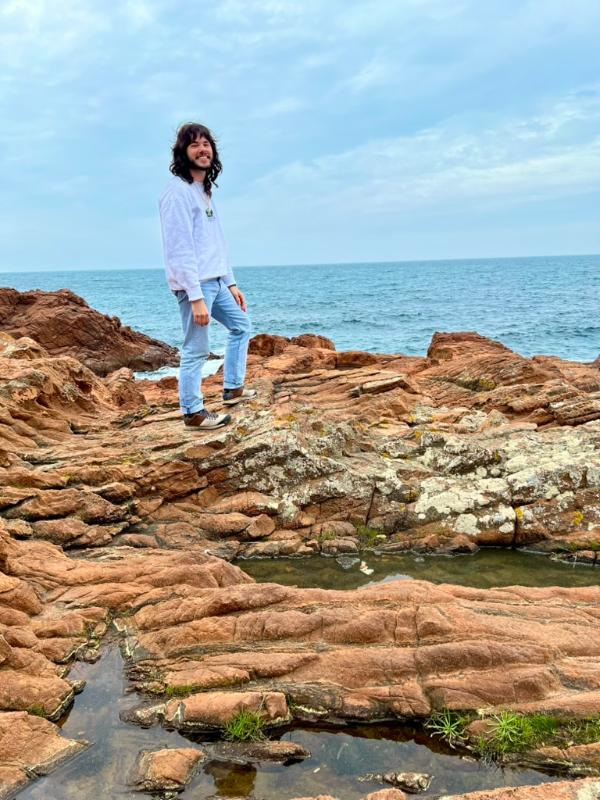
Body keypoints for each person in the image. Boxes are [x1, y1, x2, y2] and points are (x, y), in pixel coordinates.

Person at [159, 123, 256, 430]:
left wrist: (231, 282)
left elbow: (217, 244)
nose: (202, 150)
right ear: (182, 153)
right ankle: (192, 412)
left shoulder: (204, 192)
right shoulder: (177, 193)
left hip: (216, 281)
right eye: (194, 145)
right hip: (196, 285)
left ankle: (233, 388)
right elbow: (179, 249)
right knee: (196, 348)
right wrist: (195, 296)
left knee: (241, 326)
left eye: (206, 144)